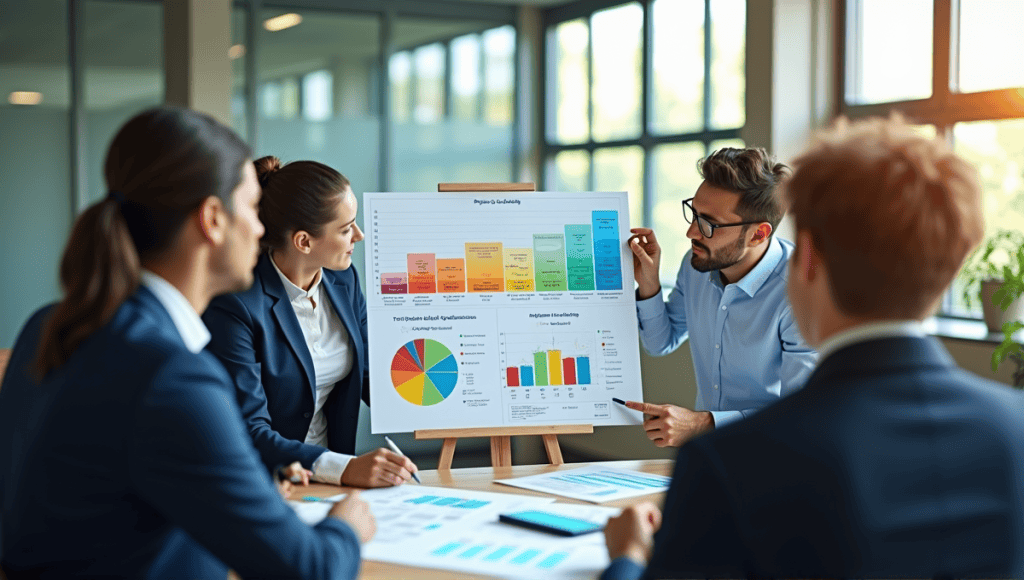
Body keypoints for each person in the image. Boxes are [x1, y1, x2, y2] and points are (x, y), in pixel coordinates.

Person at [601, 116, 1024, 578]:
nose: (693, 234)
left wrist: (629, 557)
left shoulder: (727, 464)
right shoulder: (1014, 432)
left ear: (803, 258)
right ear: (953, 261)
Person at [0, 107, 374, 579]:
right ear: (213, 220)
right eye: (251, 208)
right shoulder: (171, 376)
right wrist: (347, 525)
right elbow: (309, 569)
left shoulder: (48, 324)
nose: (261, 228)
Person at [203, 156, 417, 488]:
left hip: (332, 480)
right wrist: (344, 468)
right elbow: (250, 429)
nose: (358, 235)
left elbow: (368, 377)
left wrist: (459, 402)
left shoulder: (344, 282)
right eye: (346, 229)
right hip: (268, 482)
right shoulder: (236, 305)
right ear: (304, 241)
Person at [626, 147, 817, 446]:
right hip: (711, 455)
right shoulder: (698, 265)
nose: (691, 232)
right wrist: (648, 284)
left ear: (758, 234)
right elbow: (659, 342)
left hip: (774, 458)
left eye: (709, 224)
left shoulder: (801, 294)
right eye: (694, 214)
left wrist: (703, 423)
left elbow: (801, 414)